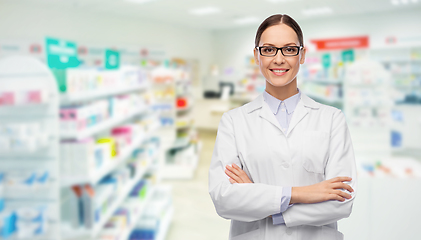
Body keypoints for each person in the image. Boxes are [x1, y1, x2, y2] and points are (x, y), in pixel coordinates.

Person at [208, 14, 357, 240]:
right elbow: (224, 199)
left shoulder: (331, 119)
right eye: (268, 50)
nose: (279, 59)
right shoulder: (234, 121)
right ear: (257, 56)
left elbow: (342, 201)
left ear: (302, 55)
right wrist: (303, 193)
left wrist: (265, 205)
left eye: (289, 49)